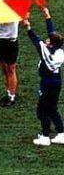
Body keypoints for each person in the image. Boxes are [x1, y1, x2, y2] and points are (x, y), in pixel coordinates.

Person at [23, 8, 64, 146]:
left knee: (42, 109)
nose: (46, 40)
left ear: (50, 44)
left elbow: (35, 39)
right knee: (52, 108)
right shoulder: (59, 52)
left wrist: (28, 26)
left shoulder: (45, 52)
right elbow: (52, 34)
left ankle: (45, 137)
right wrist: (48, 17)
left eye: (48, 40)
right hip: (57, 82)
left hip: (47, 83)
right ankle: (61, 133)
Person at [0, 22, 20, 106]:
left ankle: (12, 97)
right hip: (0, 40)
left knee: (10, 70)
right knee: (3, 69)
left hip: (10, 41)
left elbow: (6, 21)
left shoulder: (14, 10)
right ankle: (9, 93)